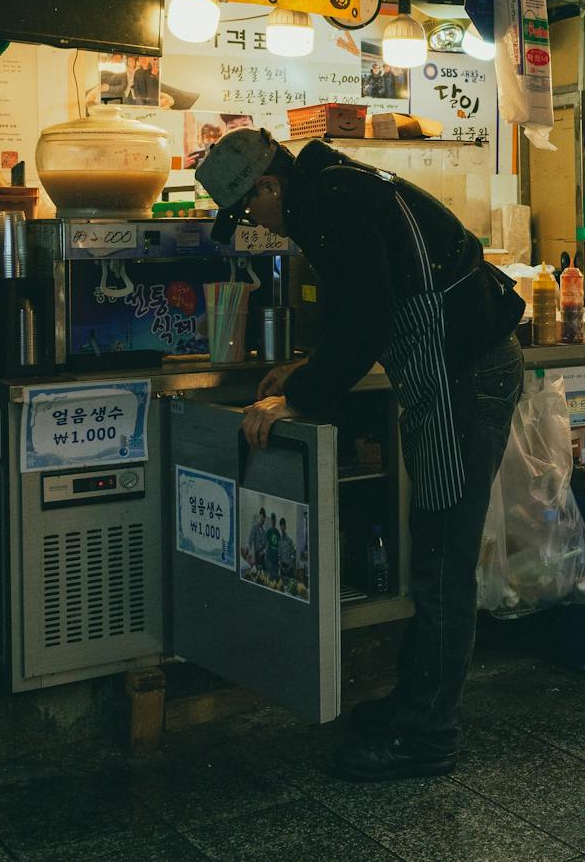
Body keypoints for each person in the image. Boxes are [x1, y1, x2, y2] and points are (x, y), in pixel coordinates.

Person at [198, 126, 525, 781]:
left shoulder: (332, 206)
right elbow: (359, 311)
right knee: (432, 544)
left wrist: (298, 397)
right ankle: (415, 702)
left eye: (249, 211)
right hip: (450, 379)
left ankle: (429, 735)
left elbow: (366, 320)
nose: (256, 225)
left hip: (462, 382)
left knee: (440, 558)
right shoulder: (333, 190)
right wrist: (305, 372)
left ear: (269, 185)